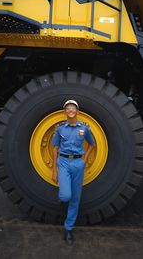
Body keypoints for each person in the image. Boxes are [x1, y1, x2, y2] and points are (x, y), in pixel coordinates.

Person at [51, 100, 95, 245]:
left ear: (77, 111)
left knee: (75, 199)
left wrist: (84, 160)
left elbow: (92, 144)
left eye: (73, 108)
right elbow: (54, 148)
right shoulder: (60, 129)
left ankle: (68, 229)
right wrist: (54, 170)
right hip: (63, 162)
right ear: (65, 112)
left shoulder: (84, 128)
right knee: (65, 196)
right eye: (68, 108)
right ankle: (64, 198)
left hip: (78, 164)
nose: (70, 110)